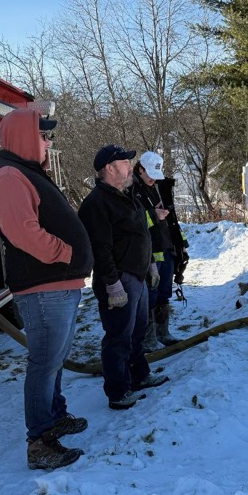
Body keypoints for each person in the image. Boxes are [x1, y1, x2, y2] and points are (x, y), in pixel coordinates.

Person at [0, 108, 93, 469]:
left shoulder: (26, 172)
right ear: (24, 137)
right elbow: (23, 232)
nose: (48, 143)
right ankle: (40, 441)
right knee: (44, 364)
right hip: (43, 287)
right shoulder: (9, 176)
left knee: (55, 359)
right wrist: (66, 253)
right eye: (43, 135)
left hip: (58, 284)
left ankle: (55, 416)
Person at [78, 145, 169, 409]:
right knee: (118, 336)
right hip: (119, 280)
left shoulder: (127, 195)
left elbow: (142, 233)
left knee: (137, 332)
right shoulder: (97, 203)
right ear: (109, 168)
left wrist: (151, 264)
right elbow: (99, 249)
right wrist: (112, 284)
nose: (130, 167)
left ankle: (139, 376)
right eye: (125, 163)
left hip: (137, 277)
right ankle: (117, 392)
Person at [133, 151, 189, 348]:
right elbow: (131, 221)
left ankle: (163, 333)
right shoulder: (131, 190)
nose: (152, 179)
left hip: (167, 248)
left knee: (164, 292)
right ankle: (148, 339)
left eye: (155, 175)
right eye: (149, 174)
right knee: (150, 294)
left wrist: (180, 245)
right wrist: (152, 215)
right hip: (148, 251)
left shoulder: (160, 187)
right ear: (140, 169)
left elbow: (172, 220)